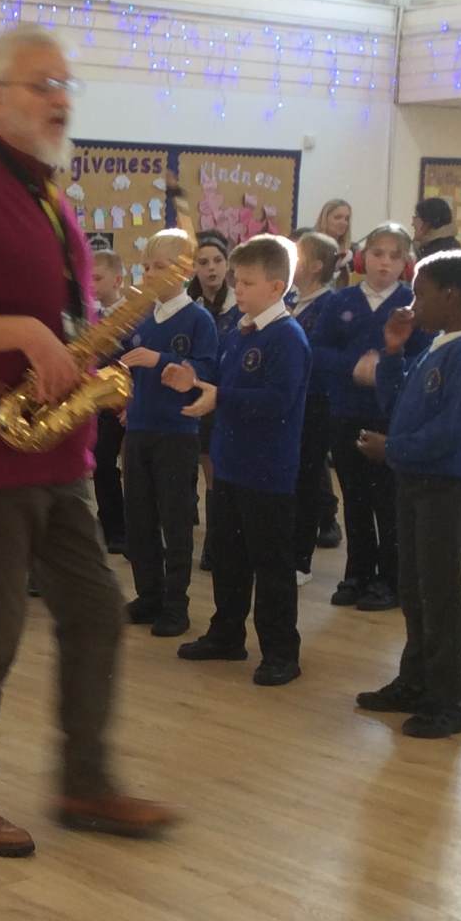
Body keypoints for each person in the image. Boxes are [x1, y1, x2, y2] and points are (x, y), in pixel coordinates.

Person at [0, 23, 174, 857]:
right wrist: (24, 333)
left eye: (64, 85)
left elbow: (54, 316)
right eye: (41, 84)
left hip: (56, 452)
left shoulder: (46, 192)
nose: (59, 99)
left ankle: (85, 781)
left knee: (96, 614)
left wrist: (81, 356)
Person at [355, 252, 461, 738]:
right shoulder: (438, 346)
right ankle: (416, 681)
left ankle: (450, 703)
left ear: (452, 296)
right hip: (416, 480)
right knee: (415, 589)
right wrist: (394, 352)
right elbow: (397, 406)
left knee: (439, 594)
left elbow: (454, 429)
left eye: (420, 294)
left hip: (445, 486)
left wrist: (392, 449)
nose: (412, 305)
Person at [176, 235, 309, 685]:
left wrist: (221, 397)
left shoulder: (287, 337)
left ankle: (281, 652)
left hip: (267, 471)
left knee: (270, 564)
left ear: (276, 287)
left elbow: (278, 401)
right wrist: (193, 380)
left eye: (248, 283)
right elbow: (220, 380)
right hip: (229, 466)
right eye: (238, 280)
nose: (238, 289)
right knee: (229, 557)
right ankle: (227, 634)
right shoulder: (239, 331)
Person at [314, 222, 422, 613]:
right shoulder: (339, 301)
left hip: (392, 418)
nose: (384, 263)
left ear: (406, 263)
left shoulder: (413, 303)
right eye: (377, 254)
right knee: (355, 497)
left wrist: (388, 367)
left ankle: (389, 579)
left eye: (395, 256)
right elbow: (317, 350)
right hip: (346, 412)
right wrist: (352, 366)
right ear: (362, 257)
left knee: (388, 500)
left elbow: (423, 357)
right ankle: (357, 573)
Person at [119, 228, 217, 637]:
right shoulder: (141, 316)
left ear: (182, 271)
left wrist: (160, 360)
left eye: (158, 267)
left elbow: (206, 371)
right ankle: (149, 595)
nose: (148, 274)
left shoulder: (198, 319)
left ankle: (176, 605)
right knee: (138, 518)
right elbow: (123, 366)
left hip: (177, 432)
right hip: (138, 429)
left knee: (175, 521)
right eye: (145, 267)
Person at [289, 230, 343, 582]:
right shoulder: (292, 300)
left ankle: (300, 559)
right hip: (292, 402)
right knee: (291, 478)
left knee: (307, 479)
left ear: (316, 266)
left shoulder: (329, 305)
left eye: (298, 256)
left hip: (317, 402)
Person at [187, 231, 235, 568]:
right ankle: (210, 541)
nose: (211, 268)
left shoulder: (239, 305)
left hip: (228, 397)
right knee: (204, 469)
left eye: (217, 261)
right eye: (203, 262)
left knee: (221, 473)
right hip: (197, 397)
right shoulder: (190, 306)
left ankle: (220, 542)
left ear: (227, 264)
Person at [88, 249, 130, 553]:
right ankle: (110, 524)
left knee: (125, 468)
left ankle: (124, 529)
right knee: (101, 463)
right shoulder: (93, 317)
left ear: (117, 280)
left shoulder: (133, 316)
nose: (91, 285)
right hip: (100, 404)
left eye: (97, 278)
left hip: (125, 405)